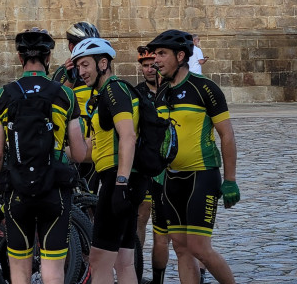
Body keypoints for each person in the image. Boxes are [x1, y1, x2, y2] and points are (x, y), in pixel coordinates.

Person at [0, 27, 87, 284]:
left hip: (17, 191)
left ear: (20, 59)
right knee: (53, 272)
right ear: (49, 58)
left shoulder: (3, 96)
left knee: (19, 270)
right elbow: (77, 153)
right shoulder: (65, 95)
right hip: (54, 191)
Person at [147, 30, 239, 284]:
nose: (156, 60)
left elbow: (227, 135)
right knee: (181, 249)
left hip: (202, 175)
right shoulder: (162, 93)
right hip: (171, 180)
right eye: (155, 54)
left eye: (162, 54)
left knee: (199, 248)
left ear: (180, 56)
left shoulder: (205, 89)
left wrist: (230, 180)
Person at [70, 37, 144, 284]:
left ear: (103, 63)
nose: (81, 72)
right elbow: (88, 152)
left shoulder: (114, 90)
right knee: (124, 261)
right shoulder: (99, 97)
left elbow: (128, 136)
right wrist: (54, 152)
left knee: (99, 260)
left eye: (85, 65)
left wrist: (121, 184)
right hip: (123, 180)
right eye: (78, 67)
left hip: (119, 180)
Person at [134, 46, 170, 284]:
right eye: (145, 66)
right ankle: (135, 274)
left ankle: (158, 279)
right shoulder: (135, 93)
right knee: (140, 219)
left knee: (164, 231)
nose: (149, 69)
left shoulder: (170, 92)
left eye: (152, 65)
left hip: (169, 168)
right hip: (145, 168)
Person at [52, 21, 100, 191]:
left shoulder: (97, 72)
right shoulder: (62, 73)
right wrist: (70, 79)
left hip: (94, 143)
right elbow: (55, 104)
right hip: (71, 145)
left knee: (92, 193)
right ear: (72, 47)